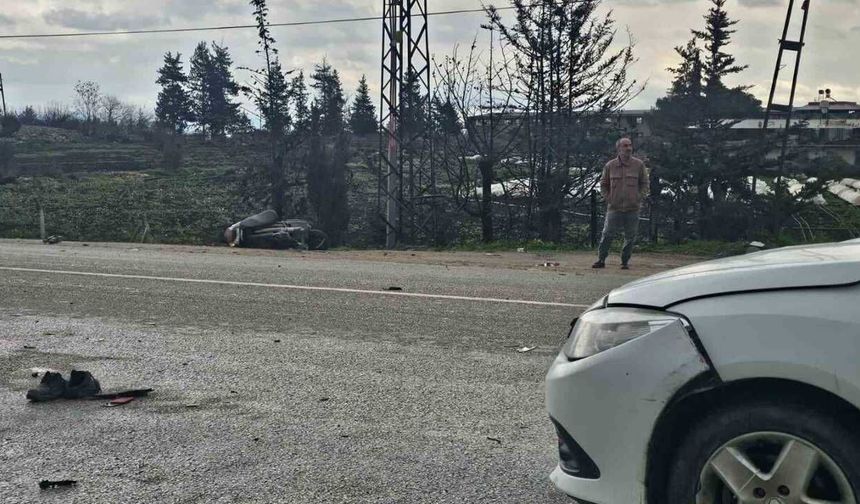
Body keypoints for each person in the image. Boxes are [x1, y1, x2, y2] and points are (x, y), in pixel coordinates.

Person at [592, 137, 648, 270]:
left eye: (630, 145)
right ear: (619, 148)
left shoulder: (639, 165)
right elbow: (603, 184)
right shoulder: (610, 165)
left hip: (632, 208)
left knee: (630, 236)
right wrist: (609, 198)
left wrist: (639, 197)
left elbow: (644, 183)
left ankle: (624, 261)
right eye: (625, 146)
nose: (628, 148)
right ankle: (601, 259)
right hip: (614, 207)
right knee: (607, 234)